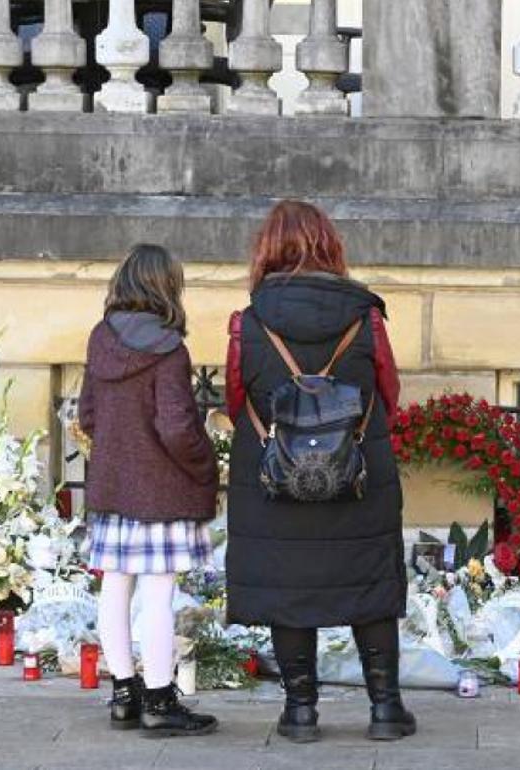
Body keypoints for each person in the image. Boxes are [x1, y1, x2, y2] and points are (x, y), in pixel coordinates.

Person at [224, 200, 410, 743]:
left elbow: (238, 400)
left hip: (277, 482)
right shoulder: (367, 318)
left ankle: (300, 713)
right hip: (357, 476)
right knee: (369, 584)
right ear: (331, 246)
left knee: (289, 586)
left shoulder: (249, 323)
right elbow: (389, 393)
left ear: (266, 250)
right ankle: (385, 711)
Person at [79, 244, 219, 738]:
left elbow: (87, 417)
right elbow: (177, 428)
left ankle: (124, 695)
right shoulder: (168, 350)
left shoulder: (100, 340)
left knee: (115, 588)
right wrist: (206, 464)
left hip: (114, 487)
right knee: (158, 595)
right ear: (167, 287)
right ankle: (160, 701)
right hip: (162, 491)